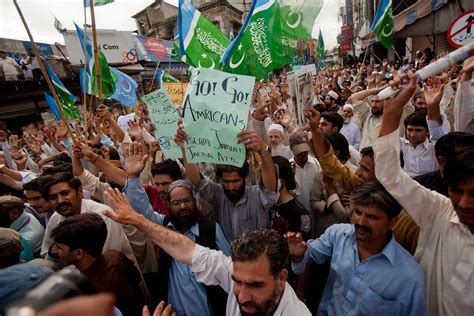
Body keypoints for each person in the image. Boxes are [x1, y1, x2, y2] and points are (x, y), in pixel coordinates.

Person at [103, 188, 311, 315]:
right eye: (237, 281)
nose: (242, 296)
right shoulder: (233, 271)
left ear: (282, 278)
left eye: (256, 285)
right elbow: (184, 247)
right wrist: (136, 219)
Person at [374, 69, 474, 315]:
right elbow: (390, 175)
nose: (464, 203)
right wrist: (393, 109)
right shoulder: (440, 211)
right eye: (456, 190)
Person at [286, 181, 426, 315]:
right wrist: (298, 255)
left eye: (371, 217)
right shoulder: (339, 235)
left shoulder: (410, 278)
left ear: (392, 222)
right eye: (358, 212)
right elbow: (308, 255)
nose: (361, 222)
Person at [122, 144, 231, 316]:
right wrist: (133, 176)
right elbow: (141, 210)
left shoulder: (210, 229)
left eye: (187, 200)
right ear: (168, 205)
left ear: (194, 201)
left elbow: (229, 268)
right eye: (176, 203)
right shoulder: (163, 226)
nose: (182, 206)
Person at [176, 127, 278, 241]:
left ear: (245, 177)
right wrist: (185, 149)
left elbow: (270, 187)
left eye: (235, 181)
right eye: (226, 181)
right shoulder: (219, 194)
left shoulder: (258, 196)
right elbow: (197, 181)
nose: (231, 187)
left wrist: (263, 150)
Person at [50, 213, 145, 316]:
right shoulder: (115, 256)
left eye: (59, 247)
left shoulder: (96, 293)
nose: (54, 251)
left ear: (78, 253)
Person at [39, 172, 136, 265]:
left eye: (65, 193)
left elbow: (107, 259)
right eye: (53, 197)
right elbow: (47, 251)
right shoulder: (56, 217)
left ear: (80, 191)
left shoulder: (103, 216)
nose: (60, 201)